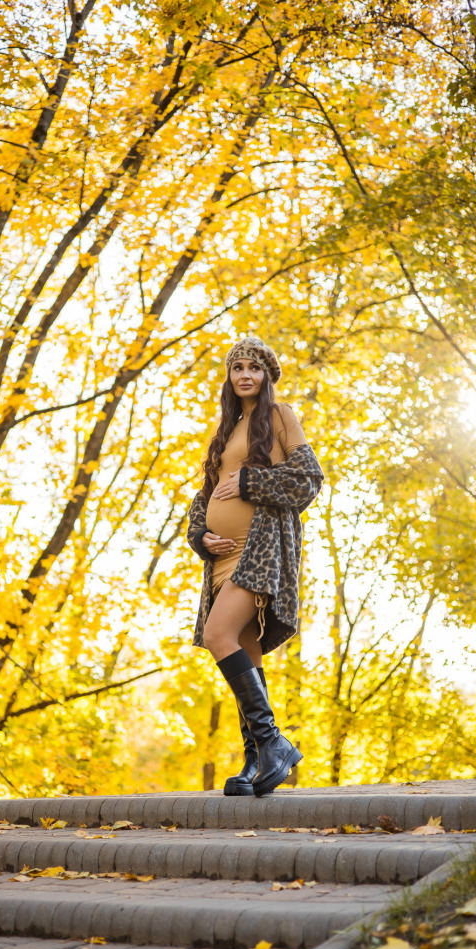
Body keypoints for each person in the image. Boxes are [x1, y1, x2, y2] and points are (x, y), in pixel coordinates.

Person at [187, 337, 324, 797]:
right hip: (223, 557)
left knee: (216, 635)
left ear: (268, 375)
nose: (245, 374)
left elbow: (308, 479)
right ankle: (255, 759)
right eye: (237, 367)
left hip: (261, 548)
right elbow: (205, 496)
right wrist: (200, 534)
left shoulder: (280, 416)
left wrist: (249, 480)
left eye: (255, 367)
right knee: (244, 651)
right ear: (229, 376)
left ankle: (273, 743)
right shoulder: (226, 428)